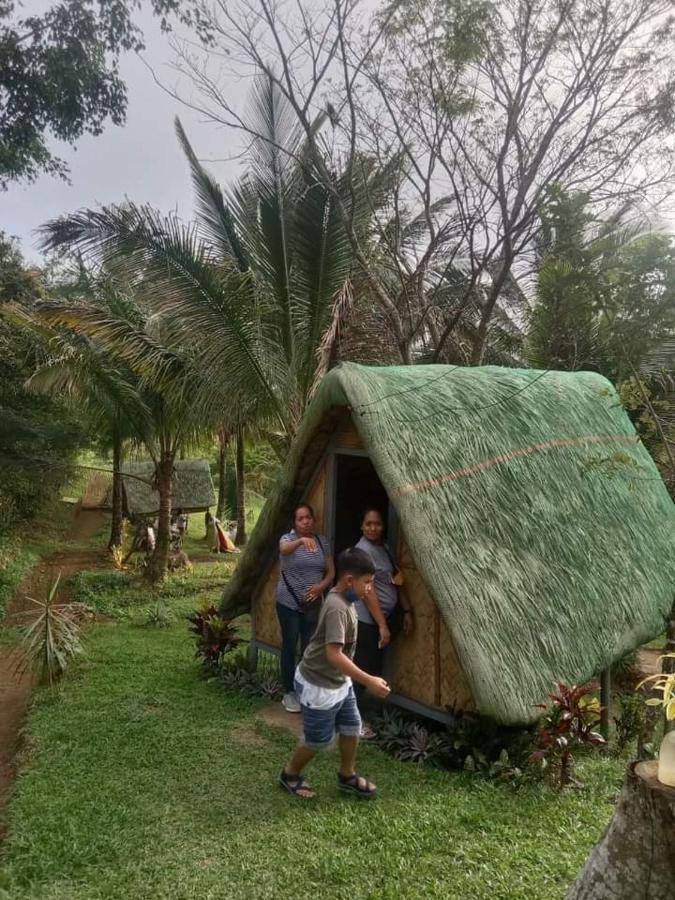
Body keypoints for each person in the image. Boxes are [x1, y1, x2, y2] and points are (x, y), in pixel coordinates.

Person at [279, 547, 391, 800]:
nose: (370, 589)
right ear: (350, 580)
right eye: (367, 583)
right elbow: (334, 655)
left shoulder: (348, 599)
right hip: (319, 683)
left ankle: (346, 775)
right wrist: (369, 680)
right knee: (318, 740)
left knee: (352, 727)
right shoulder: (337, 607)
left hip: (339, 681)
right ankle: (290, 774)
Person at [353, 508, 414, 737]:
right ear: (362, 526)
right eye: (368, 524)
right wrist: (381, 625)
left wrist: (407, 610)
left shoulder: (385, 547)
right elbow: (368, 592)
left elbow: (397, 580)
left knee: (371, 667)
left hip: (384, 618)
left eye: (376, 523)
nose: (372, 528)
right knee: (361, 671)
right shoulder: (363, 552)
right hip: (367, 620)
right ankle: (353, 721)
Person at [277, 504, 335, 713]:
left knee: (308, 648)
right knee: (290, 645)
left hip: (312, 605)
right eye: (300, 519)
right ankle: (289, 692)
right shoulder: (287, 539)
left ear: (314, 519)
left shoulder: (322, 542)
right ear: (295, 522)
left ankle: (303, 687)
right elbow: (284, 551)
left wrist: (321, 586)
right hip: (288, 603)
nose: (305, 522)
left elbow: (331, 571)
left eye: (308, 517)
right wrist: (301, 541)